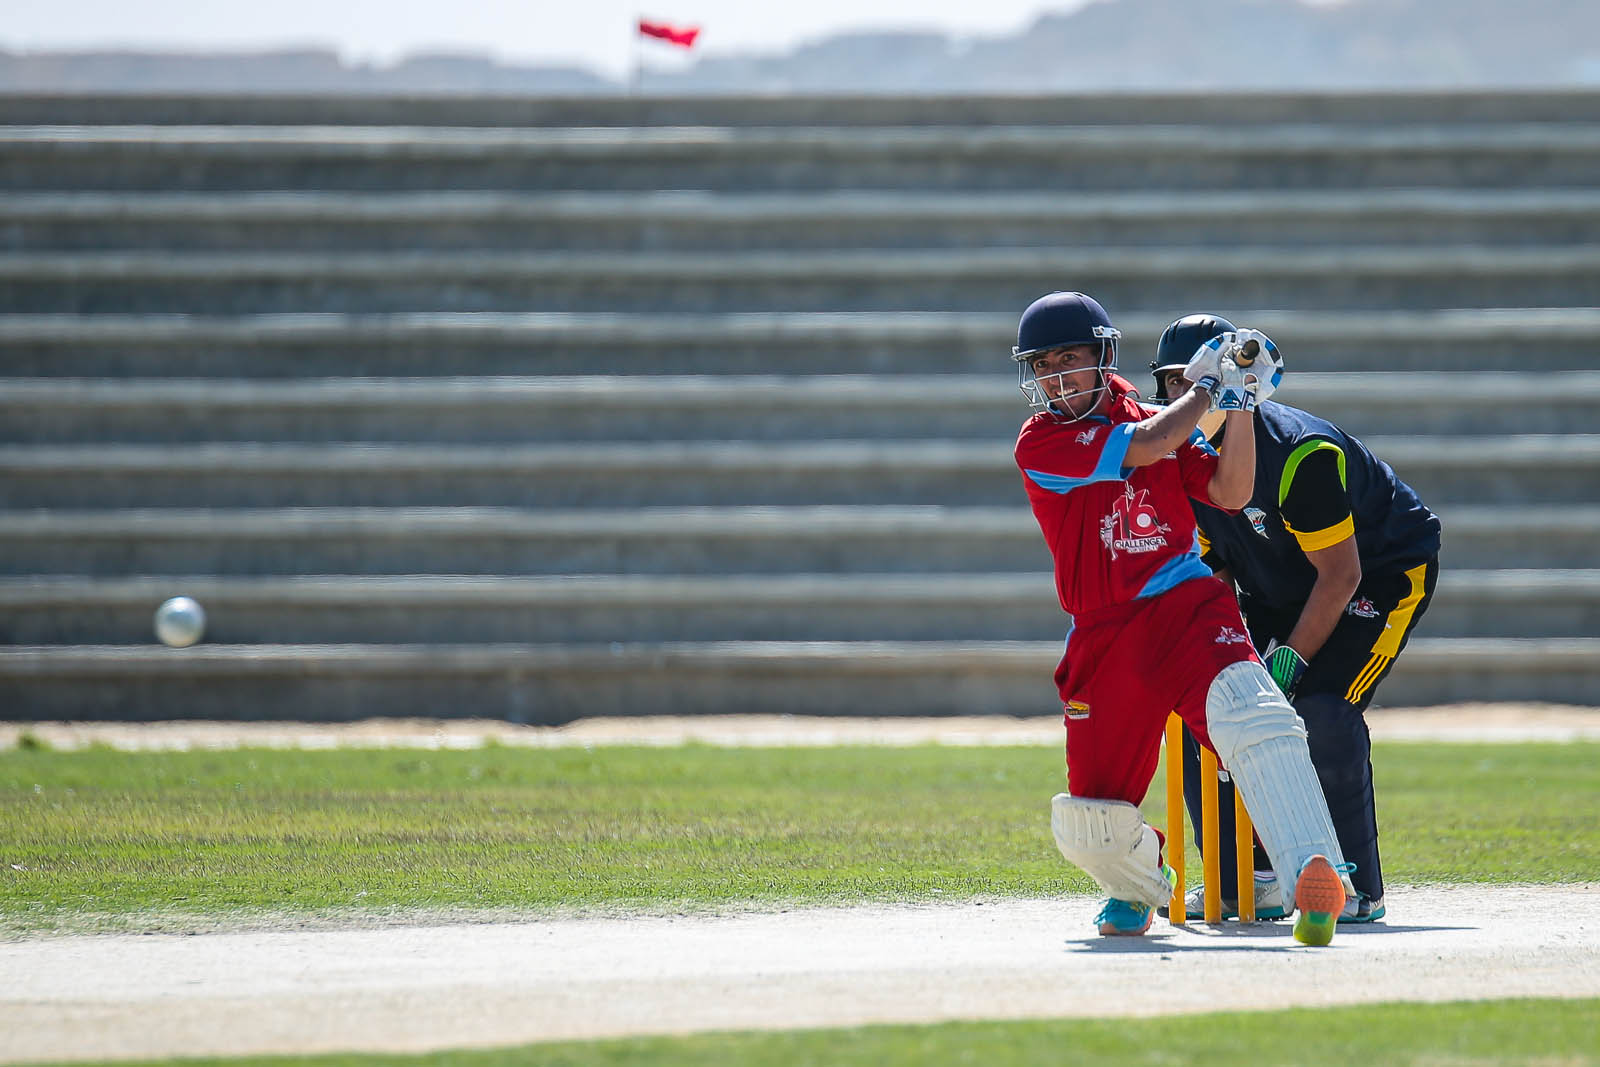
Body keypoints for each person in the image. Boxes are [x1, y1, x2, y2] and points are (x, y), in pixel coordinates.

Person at [1011, 290, 1353, 945]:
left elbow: (1231, 491)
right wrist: (1208, 388)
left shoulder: (1157, 416)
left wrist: (1240, 404)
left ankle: (1315, 871)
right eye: (1043, 364)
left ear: (1102, 357)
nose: (1056, 377)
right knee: (1089, 824)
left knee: (1256, 714)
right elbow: (1151, 443)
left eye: (1069, 359)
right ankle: (1139, 883)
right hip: (1103, 631)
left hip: (1184, 606)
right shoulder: (1042, 441)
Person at [1149, 313, 1443, 924]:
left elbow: (1340, 576)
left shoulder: (1301, 455)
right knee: (1215, 706)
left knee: (1321, 711)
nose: (1186, 395)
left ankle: (1354, 883)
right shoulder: (1174, 458)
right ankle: (1244, 877)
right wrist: (1228, 662)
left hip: (1379, 573)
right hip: (1274, 582)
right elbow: (1216, 572)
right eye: (1174, 382)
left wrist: (1289, 661)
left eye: (1199, 379)